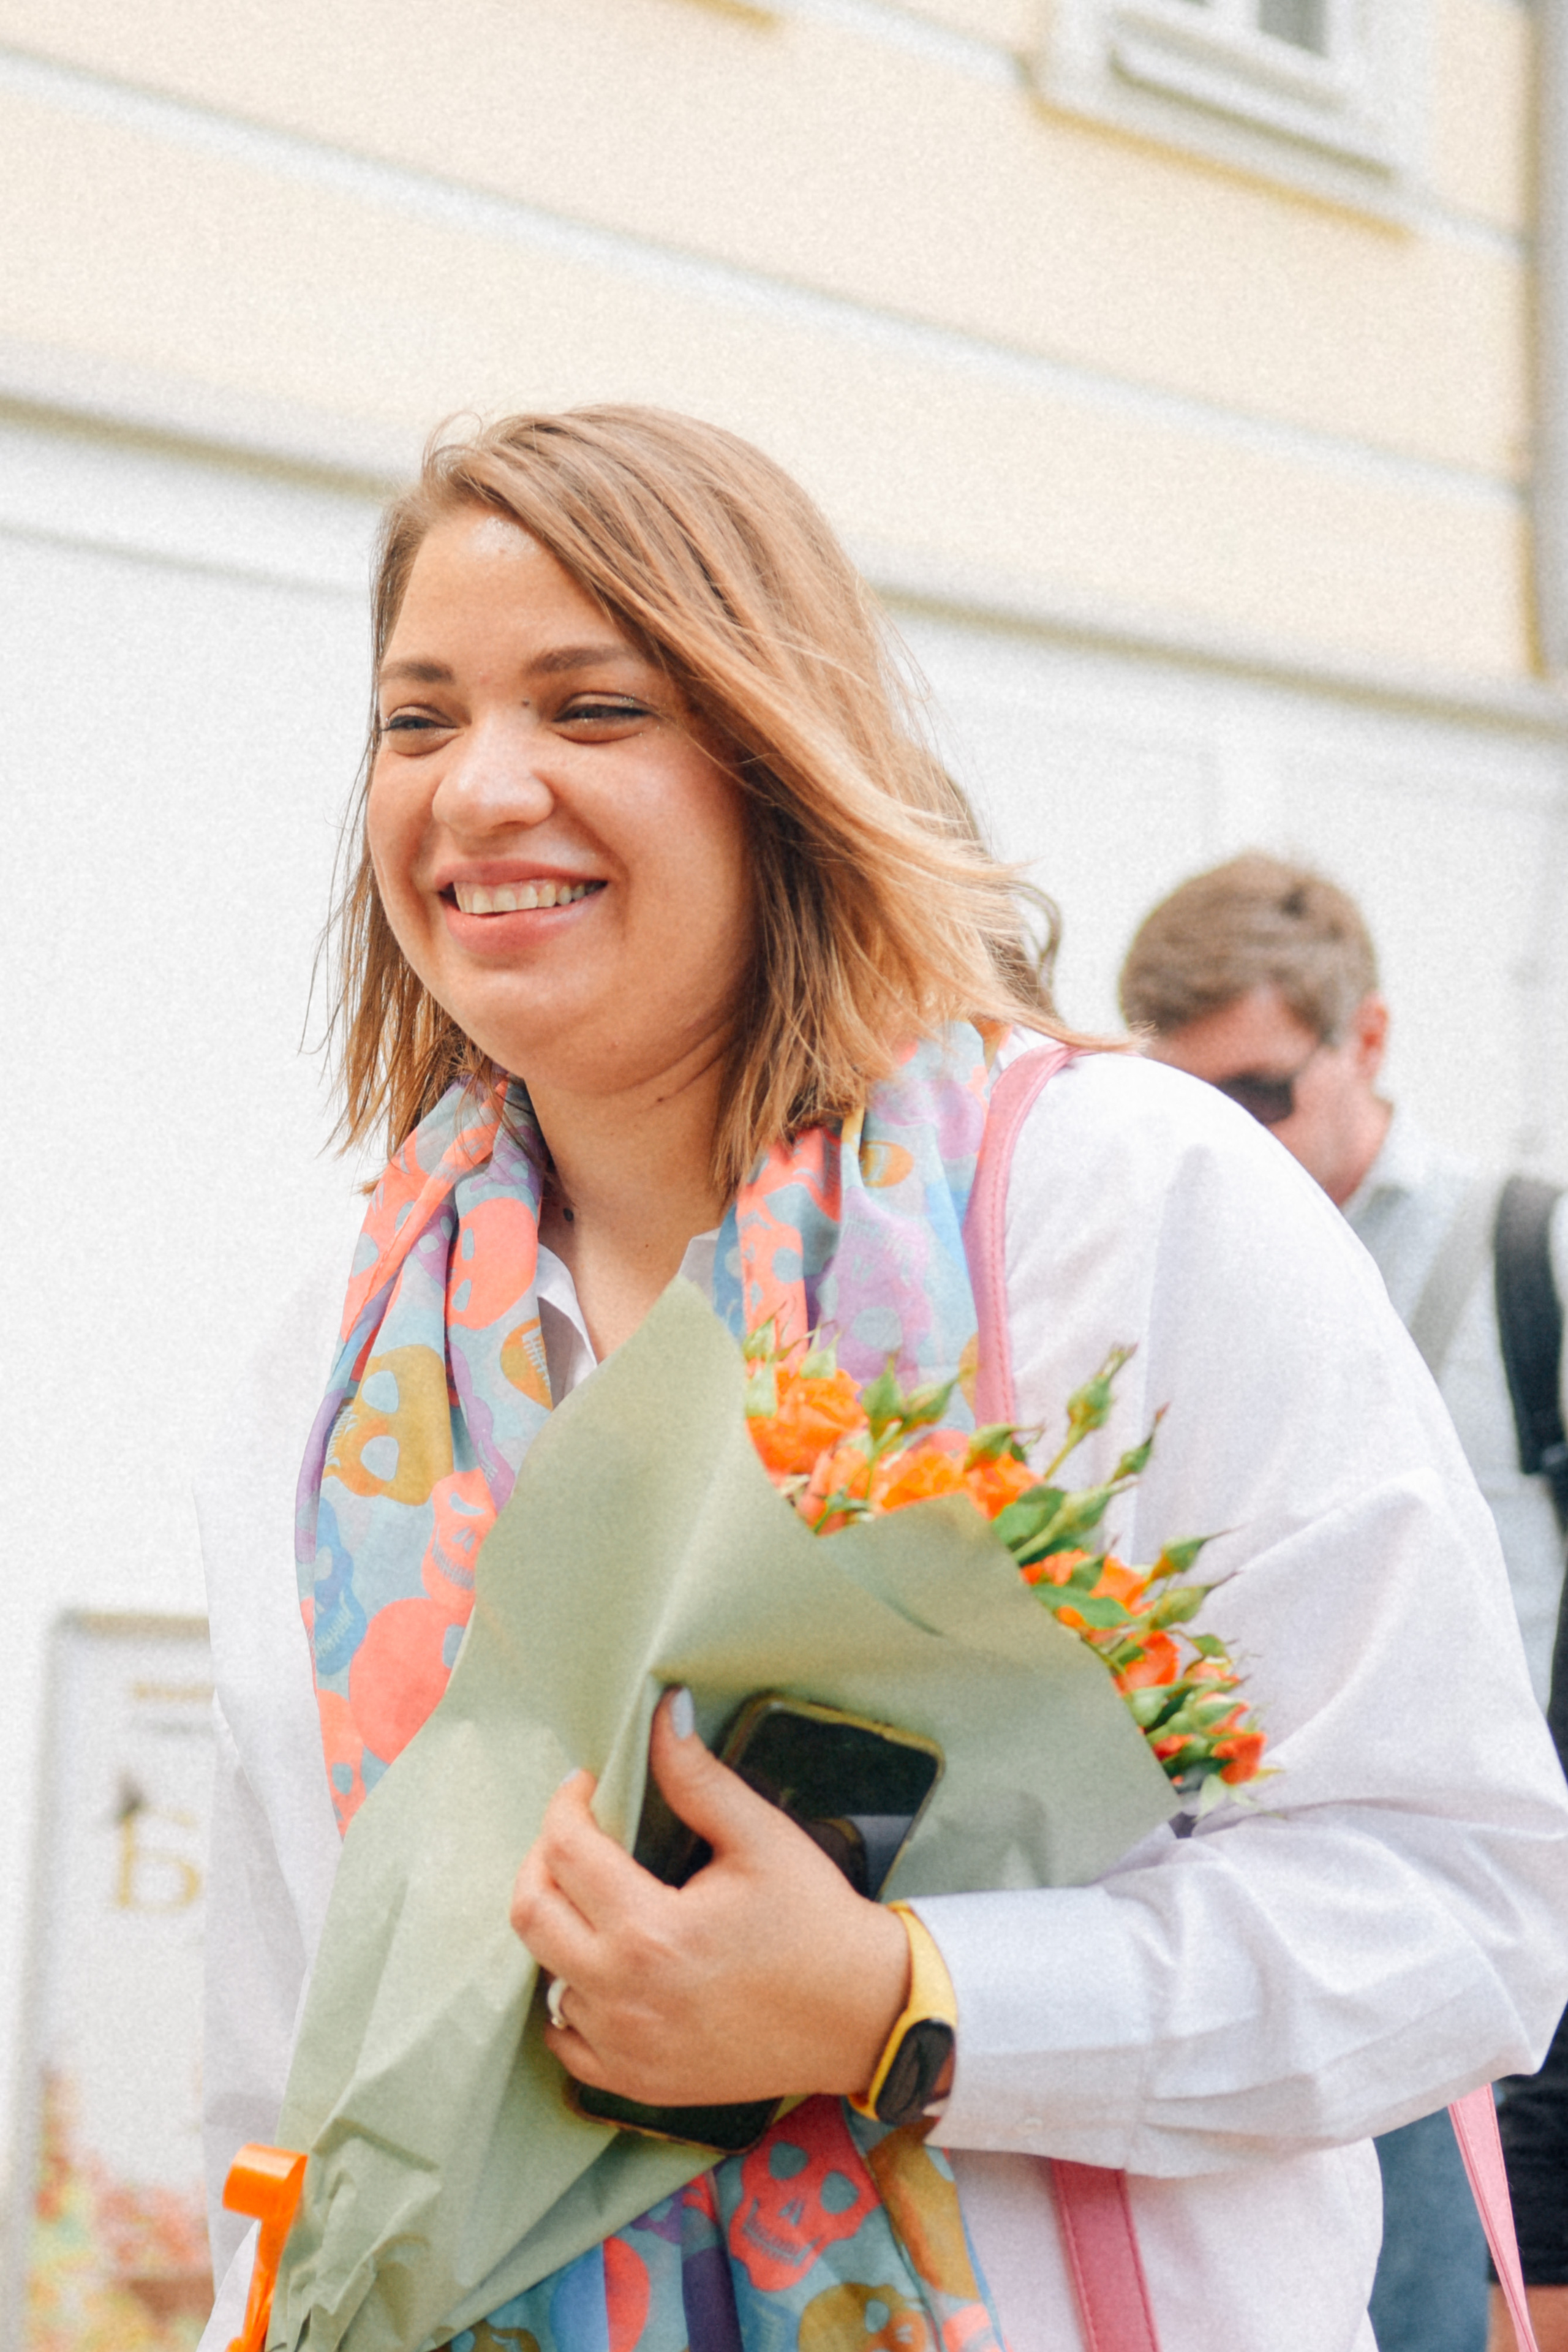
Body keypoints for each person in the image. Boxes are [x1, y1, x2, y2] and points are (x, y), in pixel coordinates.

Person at [195, 411, 1568, 2352]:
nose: (480, 787)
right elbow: (287, 2093)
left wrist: (905, 2001)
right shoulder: (330, 1388)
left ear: (780, 755)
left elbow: (1460, 1913)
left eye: (592, 708)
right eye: (417, 723)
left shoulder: (1119, 1216)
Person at [1118, 852, 1568, 2352]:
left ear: (1364, 1040)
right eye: (1179, 1099)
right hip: (1252, 1931)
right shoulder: (1160, 1262)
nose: (1215, 1137)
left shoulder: (1527, 1256)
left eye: (1256, 1095)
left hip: (1484, 1930)